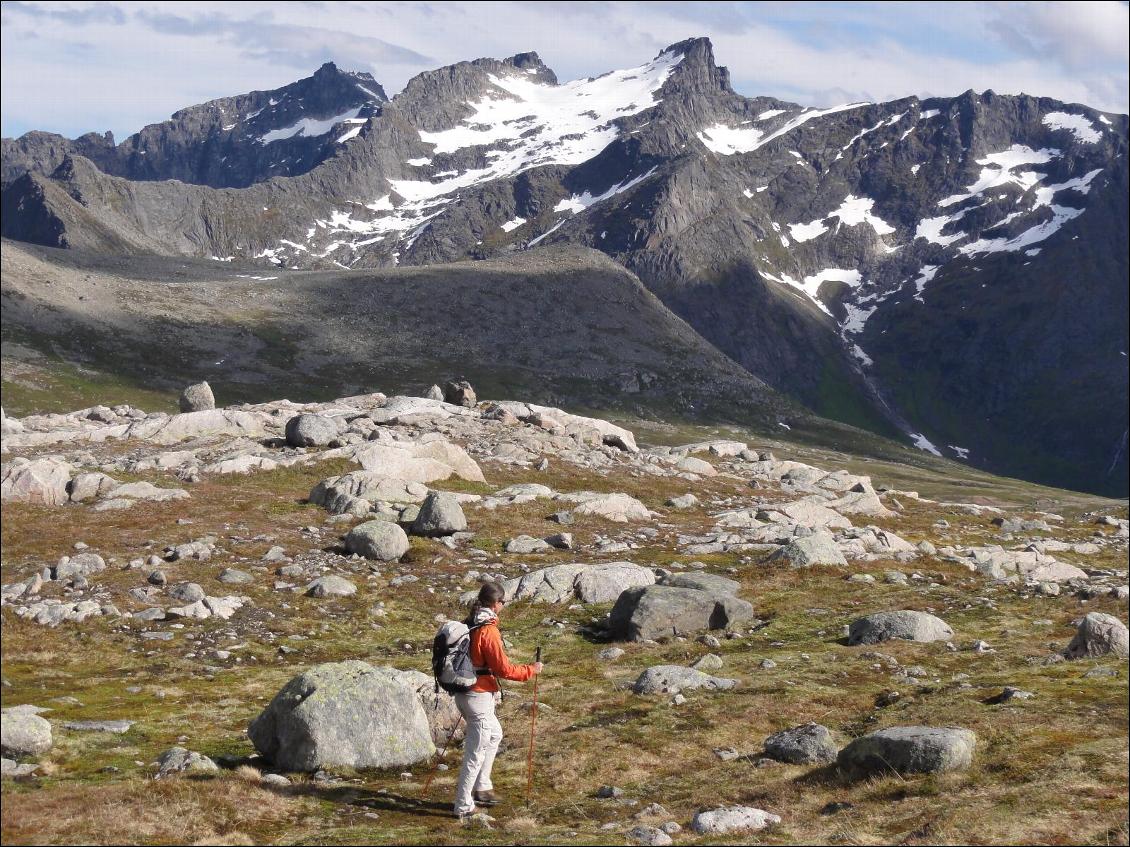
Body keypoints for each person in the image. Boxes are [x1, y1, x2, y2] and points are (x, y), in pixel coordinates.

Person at [453, 581, 543, 820]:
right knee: (475, 753)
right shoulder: (488, 630)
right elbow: (503, 669)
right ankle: (463, 805)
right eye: (503, 602)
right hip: (478, 695)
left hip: (464, 693)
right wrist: (531, 670)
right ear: (495, 603)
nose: (503, 605)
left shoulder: (469, 622)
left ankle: (482, 787)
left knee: (494, 734)